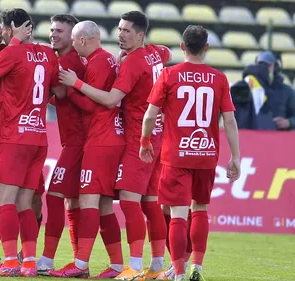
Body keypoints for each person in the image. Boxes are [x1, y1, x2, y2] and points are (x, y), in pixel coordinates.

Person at [59, 11, 171, 279]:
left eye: (127, 31)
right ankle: (155, 266)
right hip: (159, 134)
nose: (120, 35)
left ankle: (131, 266)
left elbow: (110, 100)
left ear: (140, 35)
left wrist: (75, 82)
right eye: (119, 29)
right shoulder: (155, 52)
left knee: (130, 202)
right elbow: (166, 52)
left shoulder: (132, 62)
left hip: (138, 138)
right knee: (150, 202)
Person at [139, 25, 241, 281]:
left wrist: (144, 143)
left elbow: (150, 115)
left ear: (182, 47)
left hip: (176, 155)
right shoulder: (219, 78)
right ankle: (197, 266)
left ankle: (179, 273)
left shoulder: (168, 75)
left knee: (177, 214)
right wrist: (236, 156)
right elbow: (229, 120)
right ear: (206, 48)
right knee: (201, 209)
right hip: (206, 153)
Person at [0, 8, 65, 277]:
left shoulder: (10, 52)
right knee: (27, 203)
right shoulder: (48, 54)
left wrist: (9, 105)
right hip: (38, 136)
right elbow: (58, 91)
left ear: (10, 28)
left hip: (12, 137)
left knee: (5, 202)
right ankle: (29, 263)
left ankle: (10, 260)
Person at [49, 20, 125, 278]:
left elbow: (93, 106)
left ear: (81, 40)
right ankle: (116, 265)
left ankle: (80, 264)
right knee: (103, 205)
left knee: (88, 201)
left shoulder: (98, 62)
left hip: (101, 140)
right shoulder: (108, 60)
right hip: (110, 138)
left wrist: (71, 87)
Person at [35, 13, 86, 275]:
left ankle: (46, 259)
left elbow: (63, 91)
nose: (54, 34)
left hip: (79, 142)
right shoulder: (68, 60)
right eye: (52, 29)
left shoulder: (68, 61)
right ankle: (80, 263)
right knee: (72, 203)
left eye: (60, 31)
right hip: (78, 140)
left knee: (54, 196)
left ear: (74, 37)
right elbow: (63, 98)